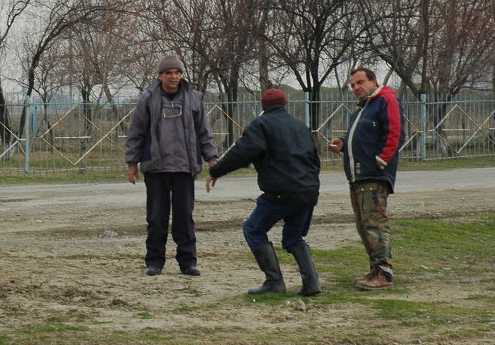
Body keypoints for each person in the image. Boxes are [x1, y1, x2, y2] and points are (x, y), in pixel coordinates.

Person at [205, 89, 321, 296]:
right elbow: (315, 159)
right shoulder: (301, 126)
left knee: (253, 229)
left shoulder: (261, 125)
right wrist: (309, 184)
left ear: (263, 106)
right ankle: (311, 283)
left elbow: (242, 153)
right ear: (285, 103)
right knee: (294, 236)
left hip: (280, 191)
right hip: (308, 190)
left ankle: (274, 281)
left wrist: (216, 171)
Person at [125, 54, 219, 277]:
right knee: (156, 218)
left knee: (184, 217)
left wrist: (212, 158)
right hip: (155, 168)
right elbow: (136, 132)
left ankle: (188, 262)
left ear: (181, 75)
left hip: (184, 168)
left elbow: (204, 132)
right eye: (169, 73)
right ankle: (154, 262)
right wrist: (132, 162)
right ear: (160, 76)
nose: (174, 76)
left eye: (177, 72)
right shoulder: (148, 98)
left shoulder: (194, 98)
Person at [328, 67, 404, 291]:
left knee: (374, 223)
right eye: (352, 85)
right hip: (359, 176)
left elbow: (395, 132)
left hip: (373, 174)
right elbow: (362, 138)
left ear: (373, 81)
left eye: (360, 82)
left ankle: (384, 273)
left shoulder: (386, 100)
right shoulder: (363, 109)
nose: (356, 88)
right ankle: (375, 269)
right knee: (364, 225)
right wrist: (343, 144)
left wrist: (381, 160)